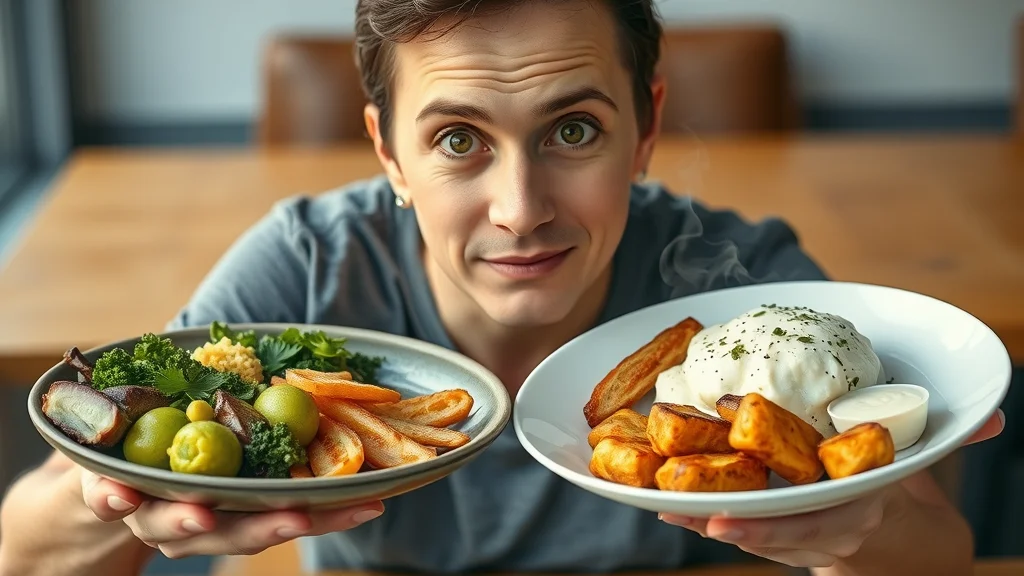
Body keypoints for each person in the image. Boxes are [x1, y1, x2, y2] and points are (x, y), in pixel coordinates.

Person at [0, 1, 1004, 575]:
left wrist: (860, 534)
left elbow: (940, 547)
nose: (521, 209)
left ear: (645, 129)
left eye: (573, 129)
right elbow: (25, 549)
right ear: (387, 153)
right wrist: (110, 502)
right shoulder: (308, 268)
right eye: (456, 140)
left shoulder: (755, 298)